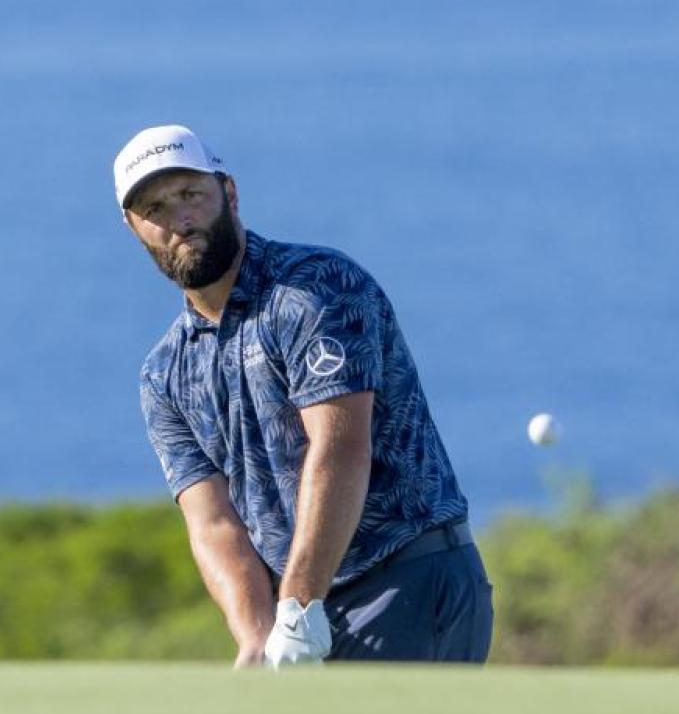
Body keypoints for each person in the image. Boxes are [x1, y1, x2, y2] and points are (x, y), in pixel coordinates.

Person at [114, 124, 492, 668]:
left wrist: (296, 605)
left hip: (406, 578)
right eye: (156, 208)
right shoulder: (165, 373)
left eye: (191, 195)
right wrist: (256, 632)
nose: (180, 220)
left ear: (230, 194)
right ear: (134, 228)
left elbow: (339, 448)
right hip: (308, 610)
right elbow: (213, 521)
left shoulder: (316, 288)